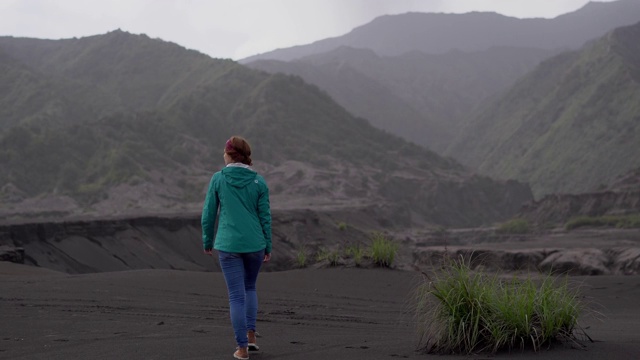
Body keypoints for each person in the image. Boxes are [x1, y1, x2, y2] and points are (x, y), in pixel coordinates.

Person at [201, 136, 272, 360]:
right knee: (250, 288)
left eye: (224, 151)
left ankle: (241, 349)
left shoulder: (218, 179)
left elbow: (208, 214)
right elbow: (265, 218)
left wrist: (207, 240)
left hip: (228, 245)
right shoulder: (259, 182)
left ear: (230, 154)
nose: (222, 154)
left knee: (236, 297)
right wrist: (268, 244)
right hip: (255, 245)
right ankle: (251, 339)